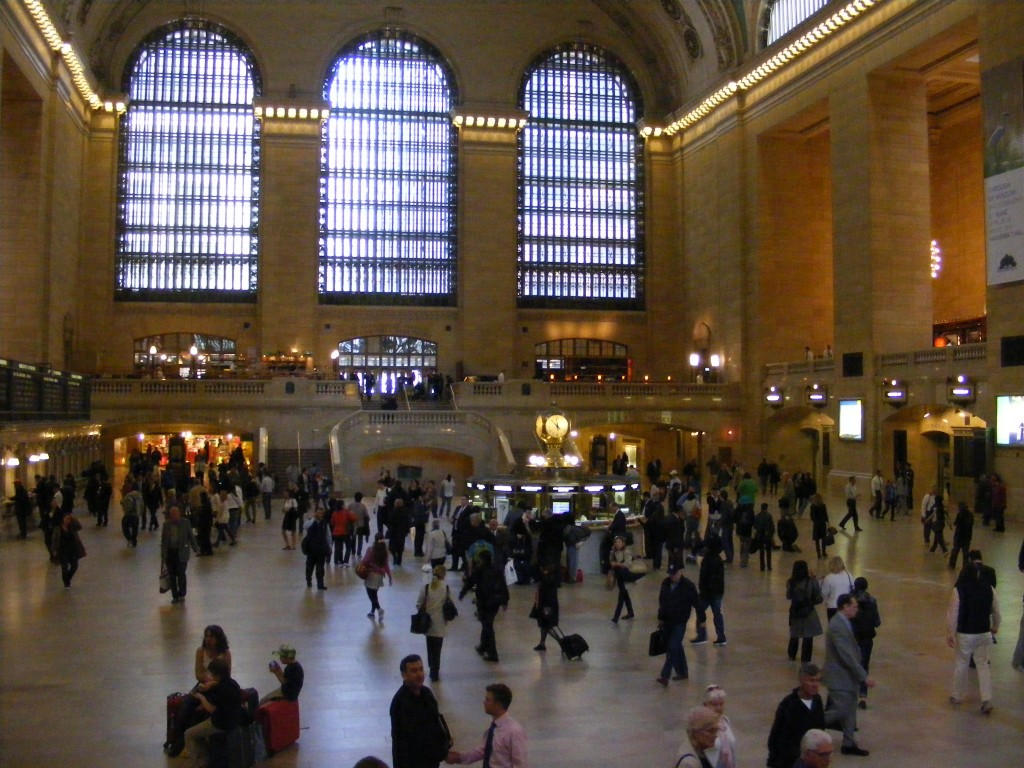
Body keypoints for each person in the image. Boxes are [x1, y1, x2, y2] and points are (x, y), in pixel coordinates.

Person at [165, 625, 234, 756]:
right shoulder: (200, 651)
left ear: (218, 638)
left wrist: (213, 684)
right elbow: (198, 673)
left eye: (212, 636)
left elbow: (226, 675)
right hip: (203, 684)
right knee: (186, 707)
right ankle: (178, 742)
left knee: (203, 710)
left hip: (218, 686)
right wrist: (207, 683)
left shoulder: (225, 653)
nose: (208, 639)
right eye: (206, 636)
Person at [823, 593, 875, 756]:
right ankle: (810, 724)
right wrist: (863, 676)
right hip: (840, 676)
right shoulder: (837, 625)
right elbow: (847, 655)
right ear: (845, 607)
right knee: (840, 710)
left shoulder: (844, 622)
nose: (856, 609)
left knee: (850, 710)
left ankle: (848, 742)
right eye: (854, 606)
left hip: (846, 677)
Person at [947, 559, 1001, 713]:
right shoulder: (989, 589)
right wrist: (995, 627)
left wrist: (951, 633)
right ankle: (986, 699)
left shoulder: (959, 590)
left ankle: (957, 695)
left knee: (962, 664)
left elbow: (953, 614)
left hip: (965, 634)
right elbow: (996, 611)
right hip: (984, 633)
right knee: (983, 665)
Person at [446, 683, 528, 768]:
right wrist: (459, 757)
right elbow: (483, 751)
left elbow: (521, 764)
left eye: (488, 700)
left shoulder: (514, 732)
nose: (484, 702)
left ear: (498, 704)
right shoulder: (493, 729)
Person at [390, 654, 450, 768]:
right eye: (414, 671)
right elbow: (413, 739)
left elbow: (435, 723)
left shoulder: (426, 693)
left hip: (430, 761)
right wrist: (441, 753)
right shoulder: (400, 703)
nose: (419, 674)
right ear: (404, 675)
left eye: (421, 669)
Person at [183, 657, 242, 768]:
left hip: (221, 723)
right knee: (199, 732)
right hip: (234, 719)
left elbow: (211, 709)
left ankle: (199, 763)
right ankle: (205, 760)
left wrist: (200, 697)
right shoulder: (233, 684)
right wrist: (212, 685)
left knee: (189, 734)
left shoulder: (221, 689)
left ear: (216, 674)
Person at [766, 663, 827, 768]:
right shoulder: (788, 704)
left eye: (818, 680)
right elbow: (776, 738)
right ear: (801, 680)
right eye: (811, 680)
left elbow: (820, 729)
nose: (815, 684)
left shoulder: (817, 701)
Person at [459, 548, 509, 662]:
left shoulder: (479, 570)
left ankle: (493, 653)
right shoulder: (497, 570)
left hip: (484, 602)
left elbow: (470, 582)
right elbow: (503, 585)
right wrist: (505, 601)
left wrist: (462, 593)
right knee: (487, 623)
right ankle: (483, 646)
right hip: (495, 602)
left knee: (487, 626)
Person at [656, 558, 700, 686]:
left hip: (680, 621)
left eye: (674, 574)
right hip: (667, 621)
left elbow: (696, 603)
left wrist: (701, 619)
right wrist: (660, 617)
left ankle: (665, 675)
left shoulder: (688, 586)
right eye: (670, 574)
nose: (672, 576)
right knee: (676, 647)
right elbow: (662, 602)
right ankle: (683, 671)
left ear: (680, 572)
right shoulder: (665, 583)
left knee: (673, 646)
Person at [418, 565, 453, 681]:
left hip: (427, 623)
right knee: (437, 649)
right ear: (444, 575)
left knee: (430, 647)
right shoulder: (446, 587)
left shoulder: (427, 587)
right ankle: (435, 671)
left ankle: (431, 666)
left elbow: (419, 603)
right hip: (440, 623)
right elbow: (450, 603)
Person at [850, 576, 881, 709]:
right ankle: (863, 695)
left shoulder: (849, 600)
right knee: (864, 666)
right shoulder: (872, 600)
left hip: (852, 637)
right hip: (867, 637)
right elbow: (877, 622)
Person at [787, 560, 824, 662]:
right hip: (809, 611)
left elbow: (788, 596)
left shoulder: (790, 582)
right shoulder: (811, 581)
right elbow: (817, 593)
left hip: (795, 610)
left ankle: (792, 654)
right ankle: (806, 659)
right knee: (808, 636)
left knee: (794, 633)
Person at [161, 505, 199, 604]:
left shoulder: (185, 523)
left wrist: (196, 548)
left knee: (181, 574)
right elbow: (164, 540)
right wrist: (163, 555)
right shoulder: (166, 524)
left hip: (181, 553)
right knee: (172, 576)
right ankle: (175, 596)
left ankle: (182, 594)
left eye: (175, 514)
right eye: (171, 515)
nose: (173, 516)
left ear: (179, 514)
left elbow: (191, 536)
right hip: (170, 553)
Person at [693, 538, 726, 646]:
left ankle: (702, 635)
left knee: (700, 611)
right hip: (717, 592)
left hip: (708, 592)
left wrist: (704, 590)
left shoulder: (708, 560)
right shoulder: (718, 559)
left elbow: (706, 577)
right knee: (717, 614)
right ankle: (721, 637)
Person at [700, 685, 737, 768]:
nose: (718, 708)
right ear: (705, 705)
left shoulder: (725, 721)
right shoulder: (702, 725)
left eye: (721, 704)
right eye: (714, 704)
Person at [362, 535, 393, 621]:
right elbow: (386, 565)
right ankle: (372, 612)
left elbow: (365, 561)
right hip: (380, 576)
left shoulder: (371, 550)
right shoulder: (384, 551)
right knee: (374, 594)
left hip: (371, 575)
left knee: (371, 594)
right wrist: (390, 576)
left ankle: (379, 609)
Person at [51, 512, 85, 589]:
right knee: (64, 567)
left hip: (72, 549)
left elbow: (79, 527)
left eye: (69, 519)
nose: (67, 520)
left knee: (74, 565)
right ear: (63, 519)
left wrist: (74, 519)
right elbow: (54, 540)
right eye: (66, 518)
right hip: (62, 550)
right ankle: (66, 583)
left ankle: (68, 578)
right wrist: (54, 550)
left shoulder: (72, 527)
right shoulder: (57, 528)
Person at [532, 560, 560, 651]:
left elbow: (544, 596)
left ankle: (561, 642)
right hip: (549, 606)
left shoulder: (546, 581)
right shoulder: (552, 579)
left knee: (547, 626)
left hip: (546, 607)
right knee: (543, 626)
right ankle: (542, 643)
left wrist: (541, 608)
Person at [608, 535, 635, 623]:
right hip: (618, 576)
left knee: (622, 596)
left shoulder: (626, 552)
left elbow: (628, 564)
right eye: (616, 542)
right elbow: (611, 562)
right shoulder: (613, 552)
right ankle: (630, 613)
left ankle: (616, 617)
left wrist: (616, 564)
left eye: (619, 542)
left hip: (625, 575)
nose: (617, 543)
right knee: (625, 595)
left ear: (623, 543)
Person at [304, 507, 331, 589]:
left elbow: (328, 535)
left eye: (321, 513)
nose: (320, 515)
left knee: (320, 568)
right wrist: (313, 519)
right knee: (309, 567)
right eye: (318, 513)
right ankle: (309, 580)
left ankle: (320, 584)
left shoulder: (325, 523)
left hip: (321, 549)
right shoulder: (310, 521)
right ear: (315, 513)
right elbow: (306, 526)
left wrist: (329, 546)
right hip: (311, 549)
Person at [819, 556, 854, 620]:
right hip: (846, 606)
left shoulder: (829, 578)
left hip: (833, 607)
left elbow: (824, 593)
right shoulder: (849, 575)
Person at [949, 501, 974, 570]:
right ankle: (965, 566)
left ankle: (952, 564)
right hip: (967, 537)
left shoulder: (960, 514)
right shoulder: (970, 515)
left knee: (955, 551)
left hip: (959, 536)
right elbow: (971, 524)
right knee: (965, 553)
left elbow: (956, 523)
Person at [754, 502, 776, 571]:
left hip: (760, 536)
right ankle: (769, 566)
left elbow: (755, 526)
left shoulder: (757, 516)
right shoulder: (769, 516)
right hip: (768, 536)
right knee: (768, 551)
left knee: (761, 551)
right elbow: (772, 527)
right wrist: (772, 535)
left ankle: (762, 566)